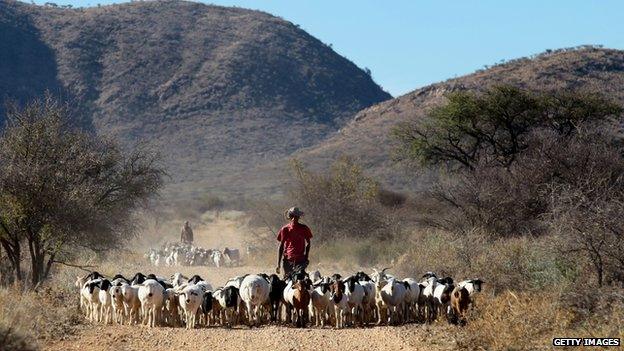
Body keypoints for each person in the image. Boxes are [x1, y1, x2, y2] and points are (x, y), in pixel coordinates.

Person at [276, 207, 312, 278]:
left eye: (296, 216)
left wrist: (306, 257)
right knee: (287, 280)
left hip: (300, 260)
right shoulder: (285, 229)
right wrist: (278, 264)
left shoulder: (304, 228)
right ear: (290, 217)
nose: (294, 218)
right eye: (292, 216)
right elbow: (281, 245)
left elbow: (308, 243)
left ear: (299, 217)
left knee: (300, 279)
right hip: (288, 260)